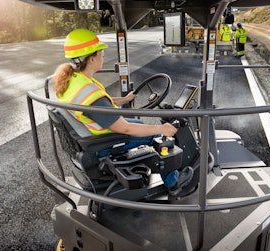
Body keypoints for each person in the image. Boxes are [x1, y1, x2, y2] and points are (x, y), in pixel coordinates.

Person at [54, 28, 193, 196]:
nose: (103, 56)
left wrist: (123, 100)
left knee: (140, 124)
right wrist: (161, 129)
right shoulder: (91, 93)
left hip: (90, 136)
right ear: (91, 59)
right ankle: (173, 182)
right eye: (101, 53)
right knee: (156, 137)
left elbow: (98, 105)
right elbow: (125, 128)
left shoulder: (74, 81)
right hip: (103, 143)